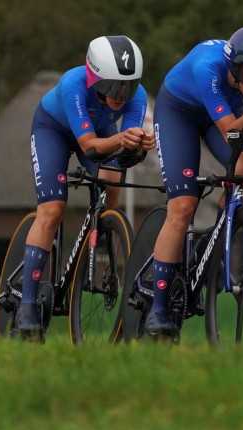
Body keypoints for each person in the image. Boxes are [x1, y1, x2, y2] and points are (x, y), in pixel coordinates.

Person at [143, 25, 243, 337]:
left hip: (228, 113)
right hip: (180, 113)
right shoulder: (208, 67)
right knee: (183, 206)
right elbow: (232, 133)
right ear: (234, 68)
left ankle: (229, 217)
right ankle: (157, 306)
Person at [15, 35, 156, 340]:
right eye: (112, 87)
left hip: (99, 133)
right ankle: (27, 304)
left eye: (126, 87)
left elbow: (127, 152)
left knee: (112, 177)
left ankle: (103, 228)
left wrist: (141, 145)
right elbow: (90, 146)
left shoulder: (138, 95)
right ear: (94, 77)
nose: (120, 96)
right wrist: (124, 139)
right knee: (53, 209)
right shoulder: (73, 84)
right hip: (54, 129)